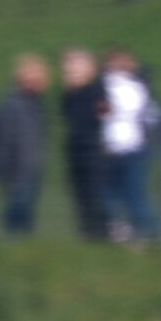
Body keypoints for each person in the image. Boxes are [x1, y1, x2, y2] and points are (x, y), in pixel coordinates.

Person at [0, 54, 49, 236]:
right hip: (17, 172)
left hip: (31, 171)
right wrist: (5, 169)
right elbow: (2, 139)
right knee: (16, 215)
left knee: (26, 217)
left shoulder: (36, 105)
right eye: (35, 76)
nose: (41, 80)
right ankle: (11, 244)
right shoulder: (13, 104)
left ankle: (22, 246)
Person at [99, 50, 159, 240]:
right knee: (130, 193)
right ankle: (144, 230)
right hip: (129, 145)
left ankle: (135, 230)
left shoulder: (109, 86)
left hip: (119, 146)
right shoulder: (137, 87)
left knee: (118, 193)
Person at [60, 48, 105, 238]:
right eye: (68, 68)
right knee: (81, 197)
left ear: (89, 68)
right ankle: (88, 234)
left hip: (94, 152)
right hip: (76, 152)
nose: (69, 72)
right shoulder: (69, 95)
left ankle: (99, 233)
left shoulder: (97, 91)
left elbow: (101, 119)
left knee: (94, 196)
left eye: (75, 67)